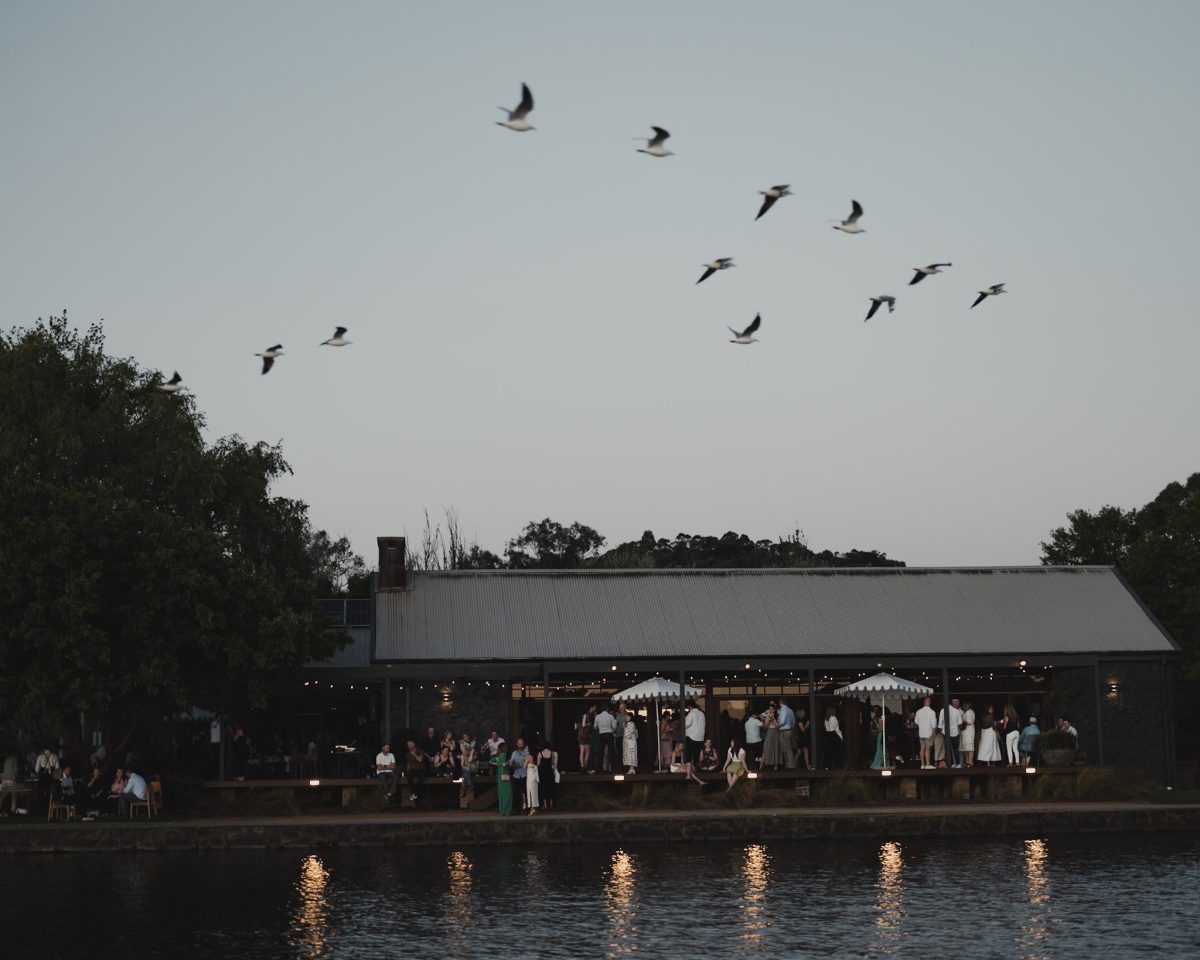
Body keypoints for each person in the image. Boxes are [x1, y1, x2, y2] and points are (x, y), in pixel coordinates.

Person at [938, 698, 964, 768]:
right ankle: (958, 763)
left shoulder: (942, 710)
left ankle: (951, 763)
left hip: (945, 732)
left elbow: (940, 723)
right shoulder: (956, 711)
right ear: (952, 704)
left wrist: (941, 730)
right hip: (955, 732)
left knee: (947, 748)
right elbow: (960, 723)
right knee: (956, 748)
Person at [592, 705, 616, 774]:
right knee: (611, 753)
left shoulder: (597, 717)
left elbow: (595, 727)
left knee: (600, 753)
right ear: (607, 709)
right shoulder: (611, 716)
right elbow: (614, 727)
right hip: (609, 734)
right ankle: (613, 770)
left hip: (601, 735)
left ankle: (599, 770)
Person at [915, 696, 937, 769]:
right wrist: (934, 732)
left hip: (921, 733)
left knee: (922, 748)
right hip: (928, 732)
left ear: (924, 702)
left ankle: (922, 764)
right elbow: (933, 724)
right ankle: (928, 764)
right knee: (928, 748)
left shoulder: (918, 711)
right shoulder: (932, 712)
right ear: (929, 702)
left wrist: (921, 726)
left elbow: (916, 722)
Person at [684, 700, 706, 768]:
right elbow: (704, 724)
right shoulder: (702, 713)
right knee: (696, 754)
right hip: (700, 737)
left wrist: (684, 718)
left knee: (689, 755)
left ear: (690, 706)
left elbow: (686, 724)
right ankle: (697, 769)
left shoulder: (691, 713)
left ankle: (689, 771)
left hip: (691, 736)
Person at [508, 738, 529, 809]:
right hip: (516, 775)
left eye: (522, 744)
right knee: (516, 793)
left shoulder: (526, 753)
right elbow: (511, 762)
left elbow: (529, 761)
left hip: (524, 774)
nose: (521, 745)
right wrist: (513, 764)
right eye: (519, 744)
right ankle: (517, 808)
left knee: (525, 792)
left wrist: (523, 754)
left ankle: (525, 808)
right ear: (517, 744)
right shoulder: (514, 753)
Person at [761, 705, 783, 771]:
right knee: (768, 747)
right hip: (769, 732)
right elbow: (765, 728)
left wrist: (773, 719)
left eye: (772, 709)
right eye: (769, 709)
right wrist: (767, 721)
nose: (771, 710)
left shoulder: (778, 715)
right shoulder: (767, 716)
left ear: (775, 710)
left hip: (776, 732)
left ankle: (776, 765)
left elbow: (778, 726)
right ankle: (769, 764)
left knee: (776, 747)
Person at [537, 742, 558, 811]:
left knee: (543, 788)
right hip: (549, 772)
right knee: (550, 787)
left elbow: (538, 764)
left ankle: (545, 804)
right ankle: (551, 804)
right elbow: (554, 765)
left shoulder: (540, 753)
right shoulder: (553, 753)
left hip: (542, 773)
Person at [777, 698, 797, 769]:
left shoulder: (783, 710)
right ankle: (789, 765)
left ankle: (790, 765)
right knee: (788, 748)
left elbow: (782, 721)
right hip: (790, 730)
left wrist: (777, 725)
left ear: (781, 703)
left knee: (786, 749)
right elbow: (794, 722)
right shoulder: (790, 710)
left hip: (784, 731)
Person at [492, 749, 512, 816]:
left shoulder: (497, 757)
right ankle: (507, 811)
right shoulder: (503, 755)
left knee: (501, 794)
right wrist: (507, 763)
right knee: (508, 793)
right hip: (504, 776)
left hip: (499, 776)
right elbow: (504, 765)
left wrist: (498, 764)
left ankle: (501, 811)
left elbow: (491, 761)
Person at [577, 705, 595, 773]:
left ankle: (582, 767)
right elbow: (584, 725)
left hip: (580, 735)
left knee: (582, 751)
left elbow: (576, 727)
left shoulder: (578, 716)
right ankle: (585, 767)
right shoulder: (585, 715)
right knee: (587, 751)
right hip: (585, 736)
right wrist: (589, 724)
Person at [621, 708, 639, 774]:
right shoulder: (625, 724)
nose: (626, 717)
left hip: (630, 741)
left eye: (627, 716)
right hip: (627, 742)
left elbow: (630, 733)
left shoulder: (632, 723)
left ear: (630, 717)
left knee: (631, 754)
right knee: (629, 755)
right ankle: (631, 768)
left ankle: (632, 768)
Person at [523, 746, 539, 815]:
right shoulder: (535, 756)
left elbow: (524, 766)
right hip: (534, 775)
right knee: (534, 792)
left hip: (530, 775)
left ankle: (532, 809)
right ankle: (534, 808)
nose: (525, 749)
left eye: (526, 749)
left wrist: (524, 759)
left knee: (530, 792)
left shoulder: (529, 757)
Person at [960, 700, 977, 767]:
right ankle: (967, 761)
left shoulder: (970, 712)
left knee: (970, 745)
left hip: (969, 730)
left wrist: (962, 721)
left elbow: (970, 722)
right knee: (966, 746)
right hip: (965, 731)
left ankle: (970, 761)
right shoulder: (966, 712)